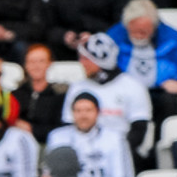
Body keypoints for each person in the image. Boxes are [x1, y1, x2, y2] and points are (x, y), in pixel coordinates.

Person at [107, 0, 177, 138]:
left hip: (158, 92)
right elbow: (102, 65)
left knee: (169, 101)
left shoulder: (173, 38)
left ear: (154, 26)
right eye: (134, 31)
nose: (139, 36)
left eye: (143, 31)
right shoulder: (114, 36)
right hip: (124, 92)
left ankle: (161, 142)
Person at [47, 91, 136, 177]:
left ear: (98, 112)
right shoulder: (57, 137)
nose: (83, 115)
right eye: (78, 111)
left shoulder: (115, 138)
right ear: (72, 113)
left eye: (88, 110)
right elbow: (49, 176)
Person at [60, 32, 151, 164]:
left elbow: (139, 129)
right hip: (82, 153)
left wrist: (115, 151)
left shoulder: (133, 86)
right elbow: (68, 125)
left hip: (122, 153)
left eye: (86, 59)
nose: (81, 63)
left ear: (101, 60)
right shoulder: (77, 87)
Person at [41, 0, 124, 61]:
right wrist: (64, 36)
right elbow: (48, 28)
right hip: (66, 55)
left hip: (106, 54)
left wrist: (95, 38)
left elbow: (121, 27)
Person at [12, 44, 66, 147]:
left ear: (49, 64)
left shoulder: (59, 96)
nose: (36, 66)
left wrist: (31, 129)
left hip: (48, 145)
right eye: (32, 62)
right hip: (18, 146)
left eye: (41, 61)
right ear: (25, 65)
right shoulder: (15, 95)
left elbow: (60, 128)